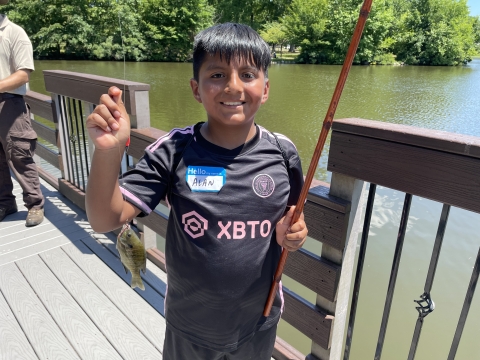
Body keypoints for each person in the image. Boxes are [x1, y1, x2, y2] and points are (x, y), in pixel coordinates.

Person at [86, 23, 308, 360]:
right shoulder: (174, 150)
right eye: (217, 75)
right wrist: (107, 151)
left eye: (248, 74)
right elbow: (105, 219)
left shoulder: (284, 153)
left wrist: (292, 234)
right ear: (195, 88)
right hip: (189, 328)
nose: (233, 86)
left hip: (257, 325)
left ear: (265, 89)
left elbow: (291, 221)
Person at [0, 0, 44, 226]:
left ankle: (35, 204)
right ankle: (5, 203)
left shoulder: (15, 33)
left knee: (19, 155)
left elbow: (23, 75)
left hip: (9, 103)